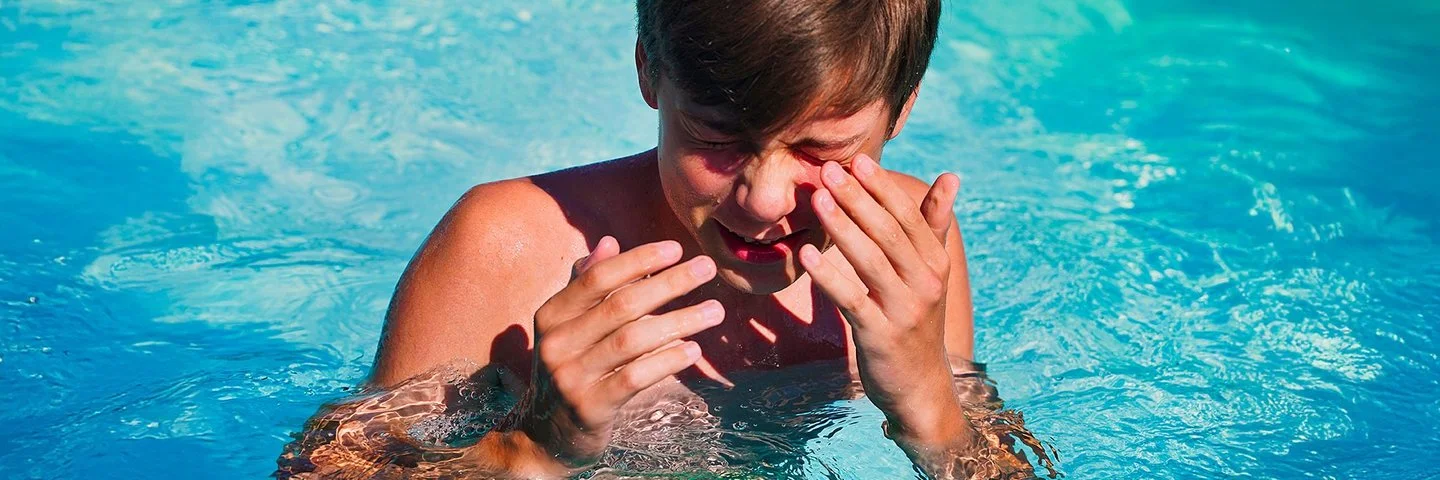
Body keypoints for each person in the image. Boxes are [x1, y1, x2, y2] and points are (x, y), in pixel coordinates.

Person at [277, 0, 1048, 478]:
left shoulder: (908, 254)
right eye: (719, 137)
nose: (764, 198)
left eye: (821, 152)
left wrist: (930, 408)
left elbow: (987, 465)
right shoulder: (506, 249)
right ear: (651, 73)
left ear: (901, 110)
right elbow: (324, 473)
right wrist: (537, 452)